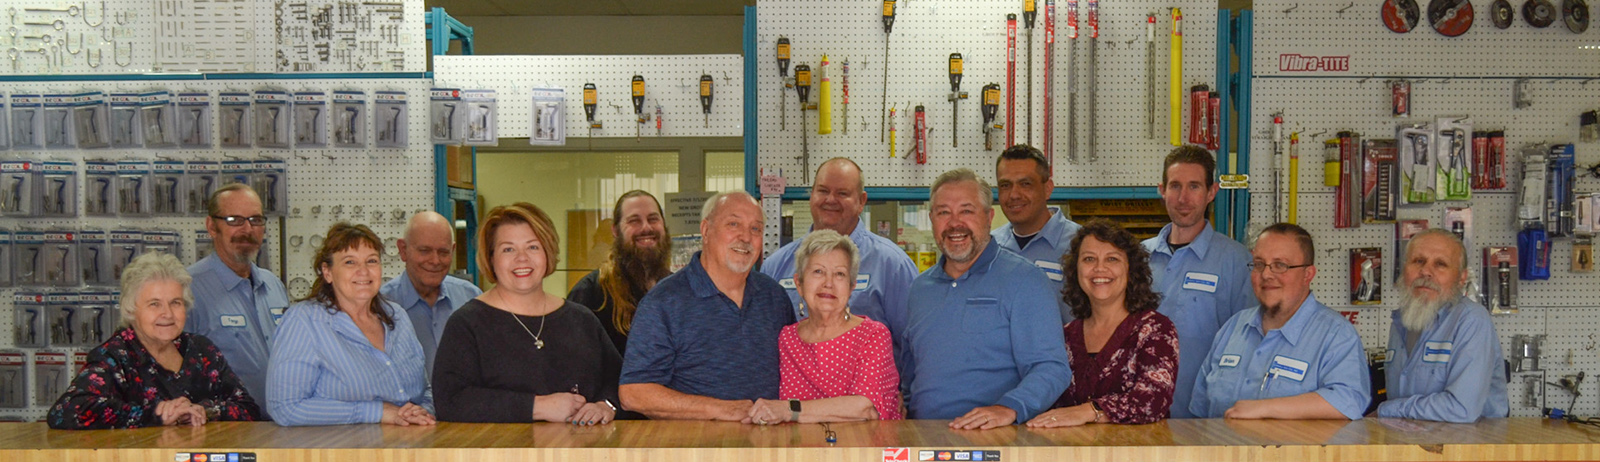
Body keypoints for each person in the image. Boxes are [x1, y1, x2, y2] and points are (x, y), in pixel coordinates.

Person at [902, 169, 1071, 429]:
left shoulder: (1025, 280)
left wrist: (1009, 407)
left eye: (967, 211)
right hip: (922, 437)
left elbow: (1052, 368)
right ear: (931, 219)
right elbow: (910, 371)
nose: (955, 223)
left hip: (995, 439)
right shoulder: (920, 289)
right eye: (944, 212)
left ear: (989, 217)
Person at [433, 204, 621, 424]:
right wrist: (536, 407)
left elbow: (619, 381)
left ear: (548, 252)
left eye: (533, 247)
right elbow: (450, 401)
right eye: (508, 249)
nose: (522, 258)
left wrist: (606, 405)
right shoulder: (466, 324)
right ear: (491, 258)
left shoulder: (582, 319)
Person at [619, 190, 795, 421]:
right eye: (733, 224)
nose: (745, 237)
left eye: (756, 229)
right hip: (695, 441)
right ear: (705, 230)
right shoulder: (663, 302)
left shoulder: (774, 297)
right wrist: (720, 409)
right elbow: (633, 393)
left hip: (769, 439)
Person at [48, 252, 260, 429]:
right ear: (131, 309)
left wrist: (204, 410)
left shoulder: (202, 350)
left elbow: (248, 408)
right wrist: (157, 414)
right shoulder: (116, 355)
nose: (167, 314)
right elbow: (66, 411)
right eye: (154, 304)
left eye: (175, 303)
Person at [1190, 223, 1370, 420]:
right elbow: (1200, 410)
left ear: (1308, 275)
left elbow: (1349, 400)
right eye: (1259, 264)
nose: (1266, 274)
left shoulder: (1336, 335)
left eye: (1280, 265)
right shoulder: (1233, 328)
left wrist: (1265, 409)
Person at [266, 223, 435, 427]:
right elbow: (285, 408)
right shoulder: (304, 322)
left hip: (408, 444)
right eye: (349, 262)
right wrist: (377, 412)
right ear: (327, 272)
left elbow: (424, 390)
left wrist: (422, 411)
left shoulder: (397, 316)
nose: (363, 271)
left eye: (371, 261)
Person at [760, 158, 919, 367]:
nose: (830, 200)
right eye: (823, 191)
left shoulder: (892, 265)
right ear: (812, 195)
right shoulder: (775, 266)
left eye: (842, 193)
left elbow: (915, 348)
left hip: (868, 387)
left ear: (861, 201)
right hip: (794, 387)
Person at [1027, 220, 1178, 428]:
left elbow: (1153, 401)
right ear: (1076, 269)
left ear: (1131, 269)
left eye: (1112, 259)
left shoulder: (1156, 330)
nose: (1099, 268)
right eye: (1089, 259)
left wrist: (1090, 411)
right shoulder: (1065, 336)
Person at [1143, 145, 1258, 419]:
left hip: (1205, 417)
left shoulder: (1236, 261)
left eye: (1194, 186)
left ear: (1211, 192)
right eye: (1175, 186)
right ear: (1162, 190)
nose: (1183, 198)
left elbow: (1250, 344)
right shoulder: (1137, 257)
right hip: (1140, 412)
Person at [749, 230, 902, 425]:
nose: (828, 283)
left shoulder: (873, 335)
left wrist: (788, 410)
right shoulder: (787, 339)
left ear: (851, 287)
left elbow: (864, 408)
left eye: (839, 274)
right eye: (818, 272)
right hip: (799, 444)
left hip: (862, 444)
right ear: (799, 283)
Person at [1376, 229, 1509, 422]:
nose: (1425, 271)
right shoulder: (1403, 321)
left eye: (1440, 264)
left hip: (1470, 441)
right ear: (1404, 269)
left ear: (1461, 278)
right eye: (1418, 261)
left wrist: (1387, 410)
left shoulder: (1471, 321)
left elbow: (1461, 409)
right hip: (1412, 439)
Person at [185, 183, 290, 420]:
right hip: (227, 429)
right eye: (235, 220)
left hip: (280, 425)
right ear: (212, 226)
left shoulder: (273, 286)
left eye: (255, 220)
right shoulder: (188, 289)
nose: (247, 229)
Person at [567, 190, 674, 356]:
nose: (646, 227)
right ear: (615, 231)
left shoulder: (678, 289)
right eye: (634, 221)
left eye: (653, 219)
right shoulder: (590, 294)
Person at [381, 211, 483, 376]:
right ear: (403, 250)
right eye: (424, 251)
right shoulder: (381, 306)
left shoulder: (470, 297)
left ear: (453, 250)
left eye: (443, 252)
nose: (435, 261)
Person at [991, 145, 1082, 322]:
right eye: (1005, 185)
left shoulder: (1081, 245)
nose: (1014, 195)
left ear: (1047, 189)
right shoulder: (990, 247)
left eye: (1025, 184)